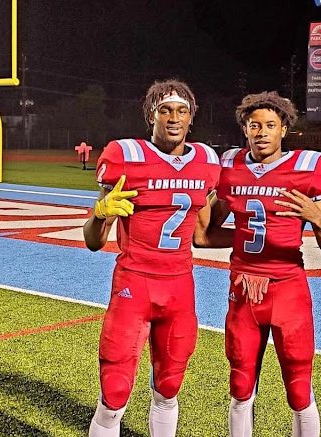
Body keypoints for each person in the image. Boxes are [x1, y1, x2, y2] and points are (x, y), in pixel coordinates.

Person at [193, 91, 321, 436]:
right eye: (254, 125)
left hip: (287, 289)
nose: (261, 132)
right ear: (244, 129)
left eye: (270, 125)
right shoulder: (231, 166)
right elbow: (203, 236)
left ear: (283, 130)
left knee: (299, 387)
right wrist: (244, 236)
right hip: (243, 289)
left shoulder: (309, 168)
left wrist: (315, 218)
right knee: (241, 384)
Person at [84, 78, 221, 437]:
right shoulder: (125, 156)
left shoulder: (206, 161)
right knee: (114, 392)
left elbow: (202, 235)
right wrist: (100, 214)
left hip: (179, 288)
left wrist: (265, 240)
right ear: (151, 116)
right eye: (164, 110)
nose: (173, 117)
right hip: (134, 284)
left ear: (191, 117)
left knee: (169, 387)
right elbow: (94, 242)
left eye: (182, 110)